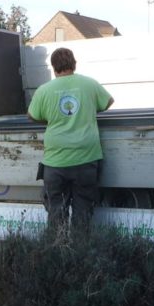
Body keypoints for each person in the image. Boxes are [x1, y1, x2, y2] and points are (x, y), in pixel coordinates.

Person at [27, 47, 114, 233]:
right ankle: (80, 253)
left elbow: (32, 115)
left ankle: (58, 252)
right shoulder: (89, 84)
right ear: (74, 64)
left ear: (53, 67)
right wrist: (88, 109)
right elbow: (108, 102)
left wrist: (49, 118)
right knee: (83, 212)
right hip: (86, 159)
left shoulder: (44, 90)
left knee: (56, 212)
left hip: (55, 162)